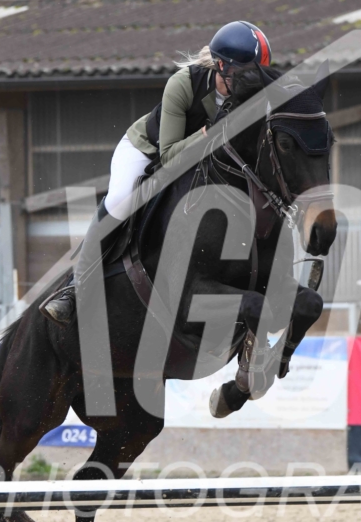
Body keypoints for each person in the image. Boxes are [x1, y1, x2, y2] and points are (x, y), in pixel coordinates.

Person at [41, 20, 272, 324]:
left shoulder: (247, 95)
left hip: (206, 161)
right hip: (147, 150)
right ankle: (75, 288)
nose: (253, 81)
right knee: (120, 200)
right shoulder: (184, 83)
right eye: (246, 73)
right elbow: (169, 155)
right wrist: (209, 134)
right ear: (221, 66)